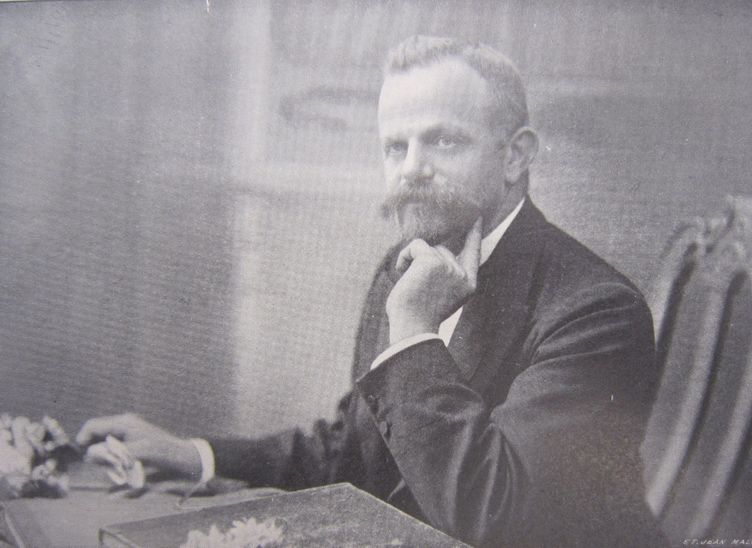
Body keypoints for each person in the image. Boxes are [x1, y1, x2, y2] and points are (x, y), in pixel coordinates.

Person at [77, 36, 666, 547]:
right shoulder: (408, 265)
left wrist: (412, 330)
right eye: (394, 147)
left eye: (443, 142)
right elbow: (359, 450)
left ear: (514, 156)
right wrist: (197, 456)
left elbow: (497, 514)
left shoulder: (595, 310)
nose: (411, 169)